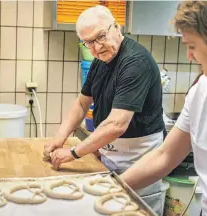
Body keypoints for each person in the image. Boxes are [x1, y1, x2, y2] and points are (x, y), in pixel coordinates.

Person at [120, 1, 207, 216]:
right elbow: (165, 156)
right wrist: (113, 189)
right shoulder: (203, 88)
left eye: (191, 46)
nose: (189, 56)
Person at [43, 5, 166, 215]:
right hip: (111, 158)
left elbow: (117, 124)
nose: (96, 47)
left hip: (139, 162)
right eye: (88, 42)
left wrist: (72, 153)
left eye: (100, 37)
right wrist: (59, 138)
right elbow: (82, 103)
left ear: (116, 28)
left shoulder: (135, 63)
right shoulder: (100, 61)